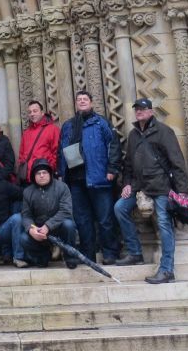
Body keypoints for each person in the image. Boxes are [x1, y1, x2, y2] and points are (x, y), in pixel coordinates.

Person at [114, 97, 188, 284]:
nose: (139, 112)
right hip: (139, 187)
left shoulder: (164, 131)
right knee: (120, 208)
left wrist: (182, 191)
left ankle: (167, 269)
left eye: (143, 109)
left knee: (164, 223)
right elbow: (128, 164)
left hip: (161, 186)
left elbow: (177, 161)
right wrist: (127, 184)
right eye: (137, 109)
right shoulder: (133, 135)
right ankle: (135, 253)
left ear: (151, 111)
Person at [59, 91, 120, 265]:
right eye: (79, 100)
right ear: (75, 103)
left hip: (98, 177)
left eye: (85, 99)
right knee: (82, 220)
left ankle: (110, 253)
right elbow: (60, 150)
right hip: (75, 180)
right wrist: (62, 173)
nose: (82, 102)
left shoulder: (101, 122)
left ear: (91, 102)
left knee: (105, 218)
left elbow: (113, 145)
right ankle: (88, 255)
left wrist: (112, 169)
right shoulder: (68, 125)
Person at [19, 159, 77, 268]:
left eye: (44, 172)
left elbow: (66, 211)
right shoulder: (27, 192)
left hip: (59, 227)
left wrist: (48, 226)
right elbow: (26, 215)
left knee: (69, 225)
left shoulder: (62, 187)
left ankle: (70, 258)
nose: (41, 175)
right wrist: (31, 229)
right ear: (34, 176)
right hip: (39, 230)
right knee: (24, 238)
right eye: (38, 173)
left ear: (50, 174)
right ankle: (43, 257)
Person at [17, 100, 59, 185]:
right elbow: (21, 154)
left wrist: (50, 168)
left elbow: (57, 152)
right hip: (28, 178)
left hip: (44, 175)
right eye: (30, 112)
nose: (32, 114)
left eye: (35, 111)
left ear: (42, 113)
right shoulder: (26, 133)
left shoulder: (53, 129)